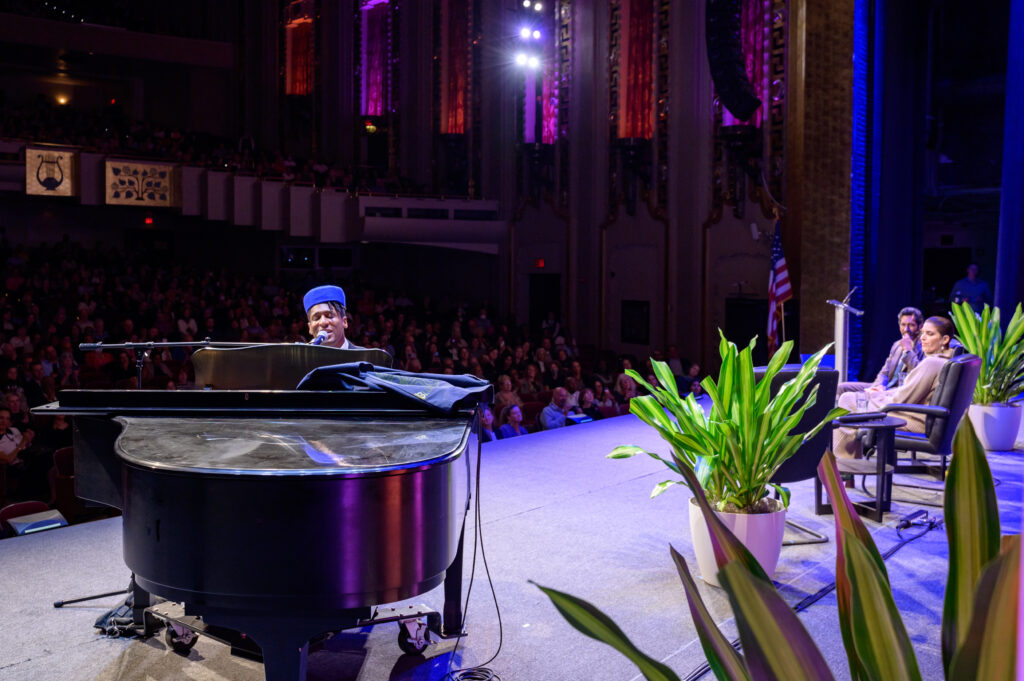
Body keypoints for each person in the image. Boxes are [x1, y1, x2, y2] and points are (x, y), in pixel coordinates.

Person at [833, 316, 958, 459]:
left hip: (914, 419)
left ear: (945, 339)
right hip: (921, 415)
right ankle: (850, 461)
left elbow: (902, 400)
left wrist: (875, 396)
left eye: (930, 334)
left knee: (847, 400)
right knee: (850, 396)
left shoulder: (931, 363)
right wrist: (878, 389)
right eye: (923, 333)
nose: (923, 338)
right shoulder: (946, 361)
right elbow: (889, 376)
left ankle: (844, 468)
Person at [837, 307, 925, 396]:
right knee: (842, 387)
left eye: (911, 325)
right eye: (903, 324)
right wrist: (879, 386)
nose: (906, 329)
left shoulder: (923, 346)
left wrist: (908, 351)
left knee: (863, 396)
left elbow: (919, 374)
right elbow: (884, 372)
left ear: (920, 326)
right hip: (885, 387)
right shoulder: (897, 345)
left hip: (900, 391)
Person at [303, 284, 363, 349]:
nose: (323, 322)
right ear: (310, 327)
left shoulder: (365, 357)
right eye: (317, 318)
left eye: (329, 316)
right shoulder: (303, 358)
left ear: (344, 321)